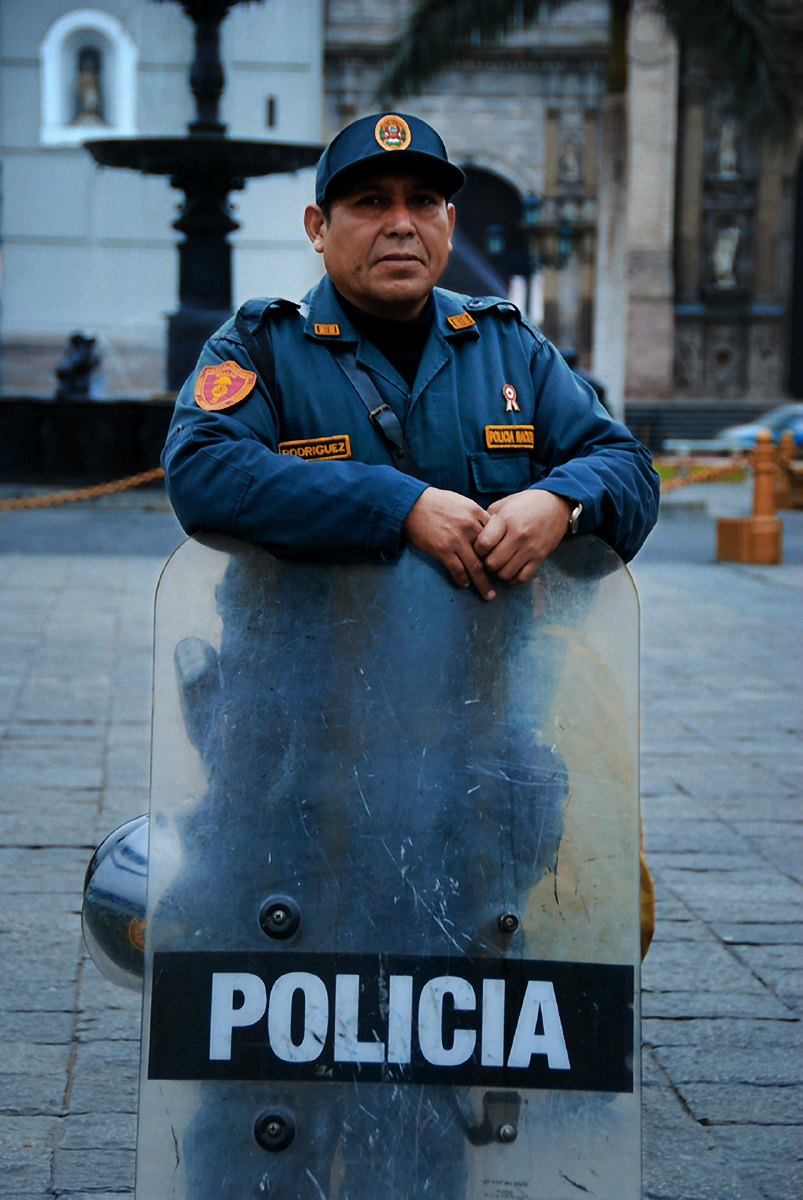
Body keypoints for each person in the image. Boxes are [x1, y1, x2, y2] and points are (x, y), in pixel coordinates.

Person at [162, 112, 660, 601]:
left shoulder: (509, 346)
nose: (401, 224)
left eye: (422, 201)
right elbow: (201, 468)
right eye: (371, 201)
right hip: (307, 676)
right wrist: (400, 507)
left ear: (448, 223)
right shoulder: (260, 348)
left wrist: (561, 503)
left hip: (488, 674)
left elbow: (628, 466)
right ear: (318, 228)